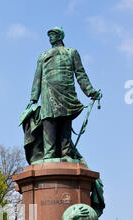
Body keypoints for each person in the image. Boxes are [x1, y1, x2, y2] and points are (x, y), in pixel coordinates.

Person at [29, 27, 101, 160]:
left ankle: (66, 153)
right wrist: (33, 98)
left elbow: (81, 75)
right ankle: (49, 153)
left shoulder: (71, 52)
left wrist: (91, 91)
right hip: (47, 94)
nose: (50, 37)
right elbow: (37, 78)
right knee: (48, 121)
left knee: (65, 122)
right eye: (49, 35)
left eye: (53, 34)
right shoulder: (43, 56)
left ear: (60, 36)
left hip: (66, 93)